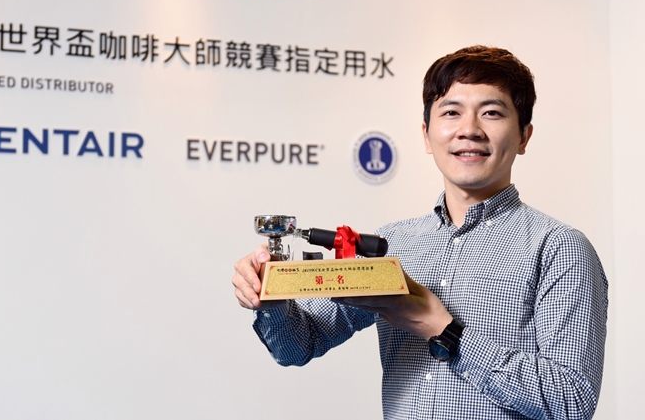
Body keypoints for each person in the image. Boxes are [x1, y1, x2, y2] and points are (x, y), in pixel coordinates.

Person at [232, 46, 608, 420]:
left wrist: (441, 328)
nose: (469, 130)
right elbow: (297, 346)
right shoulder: (391, 244)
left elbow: (571, 401)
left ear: (524, 136)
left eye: (491, 113)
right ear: (427, 136)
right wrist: (271, 296)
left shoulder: (559, 248)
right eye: (451, 112)